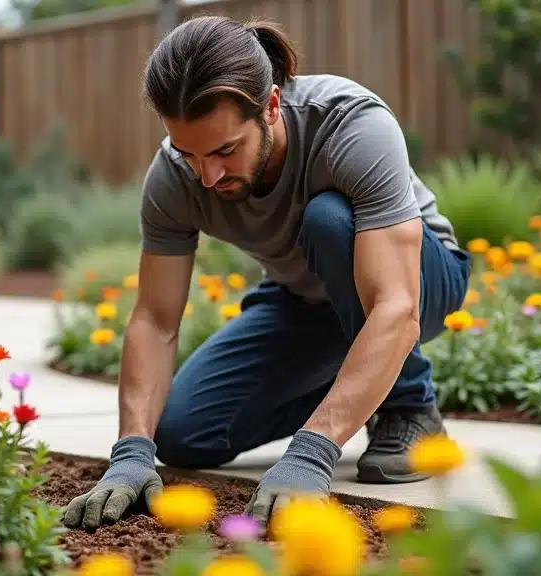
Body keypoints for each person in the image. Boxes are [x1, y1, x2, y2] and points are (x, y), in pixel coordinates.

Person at [60, 15, 470, 531]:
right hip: (303, 298)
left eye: (225, 151)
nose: (207, 176)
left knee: (327, 220)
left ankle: (410, 407)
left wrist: (313, 452)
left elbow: (397, 305)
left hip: (422, 282)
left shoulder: (350, 124)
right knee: (185, 434)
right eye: (189, 154)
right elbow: (155, 319)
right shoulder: (172, 177)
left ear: (271, 107)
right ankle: (357, 386)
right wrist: (132, 451)